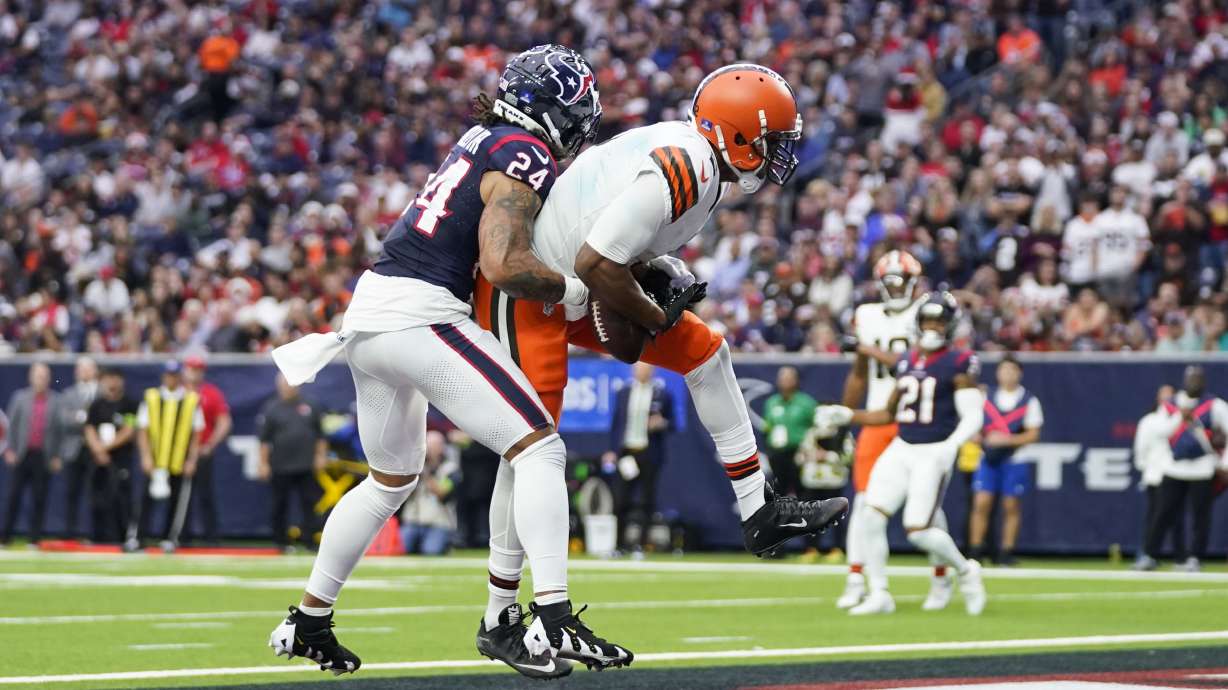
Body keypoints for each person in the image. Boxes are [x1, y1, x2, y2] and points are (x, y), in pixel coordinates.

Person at [269, 45, 620, 679]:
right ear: (549, 106)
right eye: (574, 109)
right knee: (539, 448)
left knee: (390, 480)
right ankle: (552, 614)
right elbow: (504, 265)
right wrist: (574, 291)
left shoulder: (483, 134)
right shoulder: (523, 149)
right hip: (419, 313)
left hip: (369, 315)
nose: (578, 123)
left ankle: (309, 619)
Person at [470, 63, 847, 644]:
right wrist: (649, 314)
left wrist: (649, 284)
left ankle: (757, 510)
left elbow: (607, 256)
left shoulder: (702, 166)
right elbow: (597, 263)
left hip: (574, 284)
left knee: (706, 352)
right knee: (530, 451)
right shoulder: (687, 166)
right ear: (736, 134)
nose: (780, 153)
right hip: (531, 291)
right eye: (771, 139)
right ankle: (501, 615)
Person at [816, 292, 987, 616]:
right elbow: (888, 414)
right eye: (928, 320)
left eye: (940, 321)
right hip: (902, 447)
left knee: (918, 531)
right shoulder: (909, 359)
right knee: (870, 515)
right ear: (918, 324)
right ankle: (879, 592)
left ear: (950, 326)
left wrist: (952, 445)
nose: (933, 327)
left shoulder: (959, 361)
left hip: (933, 450)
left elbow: (973, 415)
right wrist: (847, 415)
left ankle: (965, 571)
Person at [836, 250, 929, 609]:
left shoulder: (928, 312)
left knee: (926, 505)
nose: (895, 287)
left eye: (901, 280)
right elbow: (859, 373)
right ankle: (857, 577)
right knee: (863, 502)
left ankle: (942, 577)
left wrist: (864, 347)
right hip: (877, 416)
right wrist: (845, 415)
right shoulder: (867, 315)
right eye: (889, 281)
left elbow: (911, 363)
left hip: (914, 418)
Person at [1140, 366, 1228, 572]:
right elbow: (1161, 432)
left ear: (1204, 382)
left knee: (1200, 515)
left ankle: (1194, 557)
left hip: (1202, 467)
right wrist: (1181, 416)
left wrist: (1224, 464)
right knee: (1163, 512)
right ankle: (1150, 555)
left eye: (1198, 379)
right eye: (1191, 379)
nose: (1194, 383)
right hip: (1174, 467)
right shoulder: (1171, 405)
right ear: (1184, 381)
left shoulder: (1214, 405)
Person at [966, 355, 1044, 566]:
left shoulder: (1029, 400)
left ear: (1019, 373)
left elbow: (1033, 434)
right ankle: (975, 550)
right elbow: (972, 424)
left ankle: (1006, 551)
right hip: (988, 458)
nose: (1007, 374)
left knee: (1011, 505)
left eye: (1012, 370)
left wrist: (1008, 440)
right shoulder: (985, 396)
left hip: (1015, 459)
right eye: (1003, 370)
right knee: (981, 503)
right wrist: (977, 437)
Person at [134, 360, 205, 553]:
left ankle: (170, 538)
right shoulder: (151, 397)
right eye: (168, 375)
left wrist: (192, 459)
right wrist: (146, 456)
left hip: (178, 459)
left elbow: (196, 434)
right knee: (145, 501)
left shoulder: (191, 400)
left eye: (174, 375)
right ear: (163, 376)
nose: (171, 378)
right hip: (156, 458)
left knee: (177, 502)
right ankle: (138, 537)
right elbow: (142, 430)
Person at [603, 363, 674, 551]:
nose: (641, 372)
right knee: (620, 500)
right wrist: (612, 450)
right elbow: (616, 423)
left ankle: (640, 545)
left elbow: (672, 423)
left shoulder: (662, 395)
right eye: (638, 368)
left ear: (652, 371)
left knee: (646, 500)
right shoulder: (624, 393)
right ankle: (619, 545)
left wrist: (661, 423)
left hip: (649, 452)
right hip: (627, 452)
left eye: (645, 368)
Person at [257, 374, 326, 554]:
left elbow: (320, 435)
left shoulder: (311, 405)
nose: (287, 387)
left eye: (290, 383)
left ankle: (311, 541)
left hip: (306, 464)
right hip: (280, 464)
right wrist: (263, 463)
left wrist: (320, 456)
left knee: (309, 504)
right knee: (280, 504)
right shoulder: (271, 408)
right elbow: (264, 440)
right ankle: (280, 542)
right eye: (284, 383)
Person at [1, 362, 63, 546]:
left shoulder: (56, 400)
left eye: (44, 376)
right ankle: (6, 536)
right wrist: (9, 449)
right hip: (22, 453)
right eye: (38, 376)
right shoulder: (20, 398)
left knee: (39, 497)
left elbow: (59, 431)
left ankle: (34, 538)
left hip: (43, 455)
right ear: (31, 377)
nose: (41, 380)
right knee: (14, 497)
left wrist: (57, 455)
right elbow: (11, 425)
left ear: (49, 379)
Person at [83, 368, 138, 544]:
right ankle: (98, 537)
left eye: (115, 378)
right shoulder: (96, 404)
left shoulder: (130, 404)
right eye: (108, 378)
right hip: (98, 459)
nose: (112, 383)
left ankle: (122, 536)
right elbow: (89, 428)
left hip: (120, 458)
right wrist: (98, 449)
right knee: (98, 498)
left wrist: (106, 447)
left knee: (120, 498)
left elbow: (129, 430)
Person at [184, 355, 232, 545]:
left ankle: (211, 537)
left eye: (198, 369)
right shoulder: (179, 392)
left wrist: (210, 444)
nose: (194, 373)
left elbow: (224, 421)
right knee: (180, 495)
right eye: (191, 369)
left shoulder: (210, 393)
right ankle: (181, 535)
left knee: (205, 494)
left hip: (202, 450)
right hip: (180, 452)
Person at [1131, 384, 1178, 570]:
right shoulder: (1149, 421)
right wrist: (1146, 469)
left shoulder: (1184, 419)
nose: (1166, 400)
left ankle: (1181, 557)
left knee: (1176, 519)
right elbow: (1140, 449)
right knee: (1154, 518)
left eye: (1170, 396)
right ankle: (1146, 554)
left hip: (1177, 476)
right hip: (1155, 477)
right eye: (1163, 396)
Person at [399, 431, 461, 555]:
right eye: (428, 446)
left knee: (431, 551)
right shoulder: (414, 468)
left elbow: (441, 493)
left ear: (441, 448)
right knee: (401, 549)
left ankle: (447, 544)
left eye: (433, 446)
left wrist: (426, 473)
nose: (429, 450)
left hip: (438, 523)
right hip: (413, 521)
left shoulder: (450, 470)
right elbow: (403, 493)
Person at [56, 356, 98, 540]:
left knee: (95, 492)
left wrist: (82, 419)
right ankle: (69, 532)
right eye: (80, 369)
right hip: (74, 449)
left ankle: (93, 532)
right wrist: (83, 418)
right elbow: (64, 420)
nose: (83, 372)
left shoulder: (101, 391)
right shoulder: (68, 393)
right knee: (72, 492)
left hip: (96, 448)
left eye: (87, 368)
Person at [762, 366, 817, 499]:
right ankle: (782, 519)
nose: (784, 381)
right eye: (782, 378)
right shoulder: (772, 402)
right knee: (778, 491)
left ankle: (805, 518)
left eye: (788, 378)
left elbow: (816, 427)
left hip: (800, 453)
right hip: (778, 453)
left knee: (803, 491)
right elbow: (767, 427)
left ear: (796, 380)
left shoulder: (807, 403)